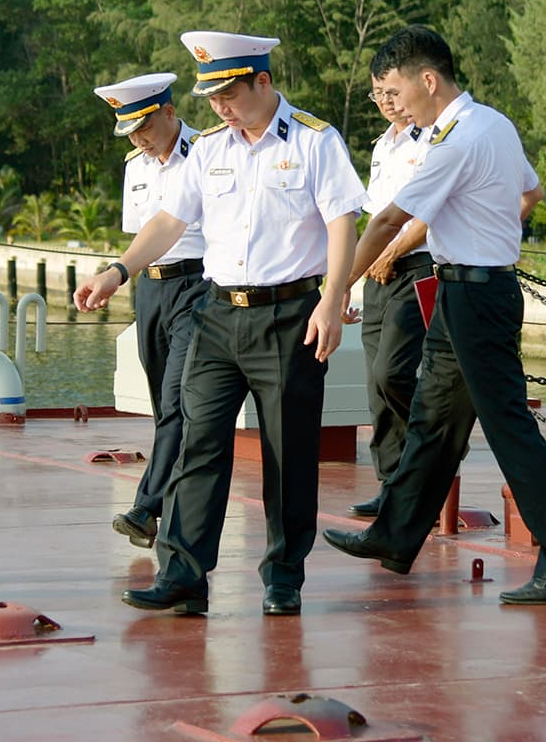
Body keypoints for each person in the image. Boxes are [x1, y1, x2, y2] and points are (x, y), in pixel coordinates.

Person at [76, 31, 366, 616]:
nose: (219, 107)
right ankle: (183, 573)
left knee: (288, 452)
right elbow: (168, 220)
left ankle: (283, 575)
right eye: (211, 97)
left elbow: (342, 221)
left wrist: (333, 298)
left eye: (229, 93)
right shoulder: (209, 149)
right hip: (215, 313)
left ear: (263, 81)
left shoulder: (314, 140)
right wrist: (118, 270)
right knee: (197, 441)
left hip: (289, 317)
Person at [323, 24, 546, 605]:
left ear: (428, 79)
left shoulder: (457, 140)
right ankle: (395, 537)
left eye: (397, 91)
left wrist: (335, 289)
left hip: (476, 296)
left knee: (509, 430)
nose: (395, 105)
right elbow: (526, 192)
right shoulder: (495, 124)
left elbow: (387, 222)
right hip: (466, 290)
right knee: (432, 420)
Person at [92, 73, 208, 548]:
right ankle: (171, 495)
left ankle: (146, 507)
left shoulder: (207, 152)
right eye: (130, 131)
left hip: (199, 285)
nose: (139, 139)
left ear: (169, 112)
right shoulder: (135, 166)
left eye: (144, 126)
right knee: (165, 404)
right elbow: (140, 235)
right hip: (151, 289)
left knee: (180, 398)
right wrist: (118, 276)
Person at [347, 75, 433, 518]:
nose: (385, 103)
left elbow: (429, 209)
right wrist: (355, 271)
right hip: (378, 273)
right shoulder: (383, 146)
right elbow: (374, 218)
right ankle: (392, 484)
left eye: (392, 94)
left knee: (392, 373)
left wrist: (393, 252)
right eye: (377, 96)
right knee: (374, 386)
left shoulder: (434, 137)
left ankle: (429, 455)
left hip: (416, 265)